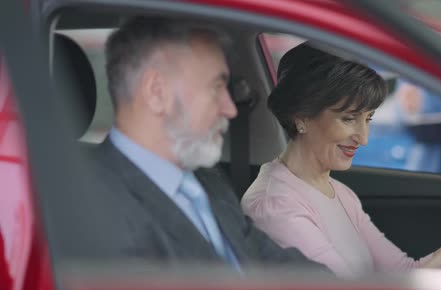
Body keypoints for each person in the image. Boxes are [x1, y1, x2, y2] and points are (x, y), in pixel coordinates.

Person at [241, 43, 441, 278]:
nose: (363, 138)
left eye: (368, 119)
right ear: (302, 117)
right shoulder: (275, 205)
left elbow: (403, 275)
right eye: (348, 119)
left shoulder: (337, 191)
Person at [79, 17, 325, 272]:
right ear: (157, 93)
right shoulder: (93, 206)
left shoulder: (206, 181)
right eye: (216, 87)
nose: (230, 109)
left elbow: (271, 262)